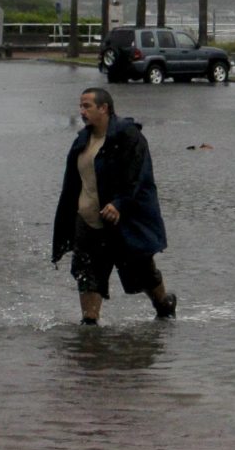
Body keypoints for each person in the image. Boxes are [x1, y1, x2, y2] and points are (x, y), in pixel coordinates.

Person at [51, 86, 176, 325]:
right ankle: (89, 323)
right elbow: (72, 185)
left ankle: (164, 305)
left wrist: (120, 204)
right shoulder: (82, 141)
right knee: (87, 273)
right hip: (87, 220)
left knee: (141, 269)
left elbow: (137, 175)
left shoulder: (128, 136)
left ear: (104, 108)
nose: (82, 111)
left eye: (87, 106)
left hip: (123, 220)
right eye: (80, 106)